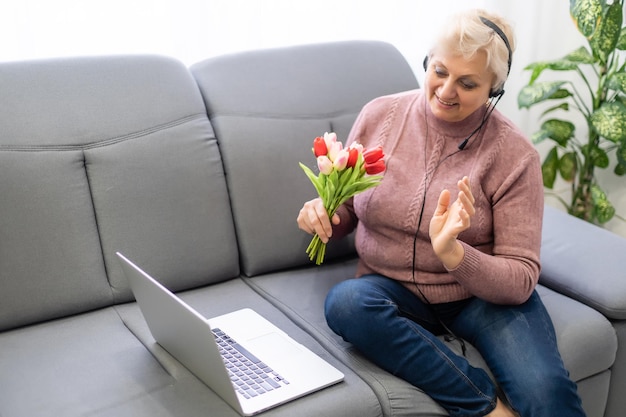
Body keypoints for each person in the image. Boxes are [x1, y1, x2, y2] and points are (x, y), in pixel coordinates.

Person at [296, 8, 587, 417]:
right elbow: (350, 208)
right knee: (346, 304)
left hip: (481, 298)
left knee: (547, 394)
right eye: (440, 71)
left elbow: (521, 277)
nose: (446, 90)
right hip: (389, 287)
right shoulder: (381, 116)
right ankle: (487, 408)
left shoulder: (515, 156)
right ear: (427, 62)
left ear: (493, 90)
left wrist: (455, 254)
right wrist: (325, 215)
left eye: (468, 83)